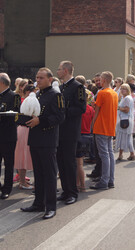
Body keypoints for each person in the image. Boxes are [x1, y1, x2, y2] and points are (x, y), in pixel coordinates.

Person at [20, 67, 65, 219]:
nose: (37, 80)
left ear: (50, 79)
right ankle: (38, 203)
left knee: (49, 174)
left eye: (41, 78)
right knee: (38, 174)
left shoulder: (55, 95)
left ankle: (51, 207)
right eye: (37, 77)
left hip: (48, 139)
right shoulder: (37, 94)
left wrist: (41, 120)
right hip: (35, 138)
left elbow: (59, 117)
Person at [56, 61, 86, 205]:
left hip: (70, 130)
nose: (57, 71)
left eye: (59, 69)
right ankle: (65, 190)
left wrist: (63, 112)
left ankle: (72, 192)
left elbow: (81, 108)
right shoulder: (61, 87)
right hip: (59, 130)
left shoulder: (77, 87)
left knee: (69, 162)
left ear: (66, 70)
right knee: (61, 162)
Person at [90, 71, 118, 190]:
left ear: (104, 80)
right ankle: (110, 180)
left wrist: (92, 124)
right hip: (110, 126)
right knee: (109, 154)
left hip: (101, 126)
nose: (99, 81)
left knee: (104, 155)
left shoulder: (102, 93)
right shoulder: (114, 93)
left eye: (100, 79)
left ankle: (104, 181)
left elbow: (96, 111)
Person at [0, 73, 21, 199]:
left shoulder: (14, 96)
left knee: (8, 164)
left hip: (8, 135)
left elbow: (16, 115)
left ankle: (7, 189)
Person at [14, 84, 36, 190]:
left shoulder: (24, 100)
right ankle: (22, 182)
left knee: (23, 156)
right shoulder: (28, 101)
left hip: (23, 129)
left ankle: (22, 181)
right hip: (25, 129)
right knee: (23, 156)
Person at [116, 83, 135, 161]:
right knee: (125, 137)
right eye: (121, 88)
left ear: (128, 90)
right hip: (125, 119)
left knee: (126, 138)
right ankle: (123, 154)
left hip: (125, 120)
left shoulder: (127, 98)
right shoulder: (125, 98)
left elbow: (126, 109)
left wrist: (118, 108)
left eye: (124, 89)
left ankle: (131, 154)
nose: (122, 90)